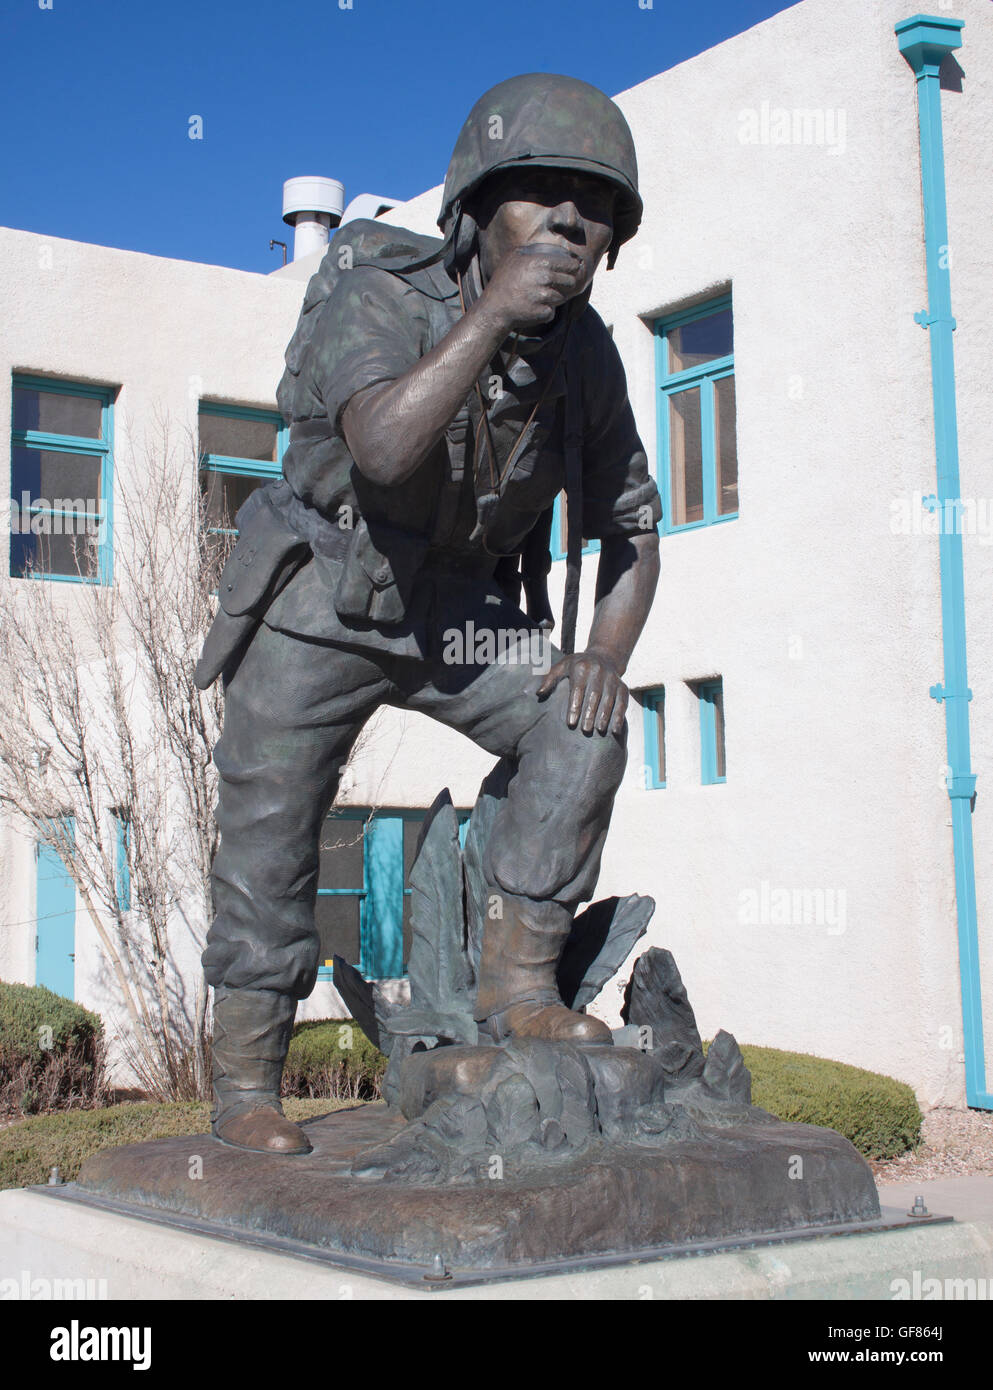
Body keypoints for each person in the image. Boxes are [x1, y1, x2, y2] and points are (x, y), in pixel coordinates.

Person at [195, 73, 662, 1154]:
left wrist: (599, 650)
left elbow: (633, 525)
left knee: (582, 721)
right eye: (537, 193)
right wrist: (493, 315)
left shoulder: (583, 356)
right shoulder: (379, 287)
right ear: (471, 209)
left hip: (459, 611)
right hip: (329, 584)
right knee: (268, 826)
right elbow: (386, 446)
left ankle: (518, 990)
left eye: (592, 207)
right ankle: (245, 1086)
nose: (567, 221)